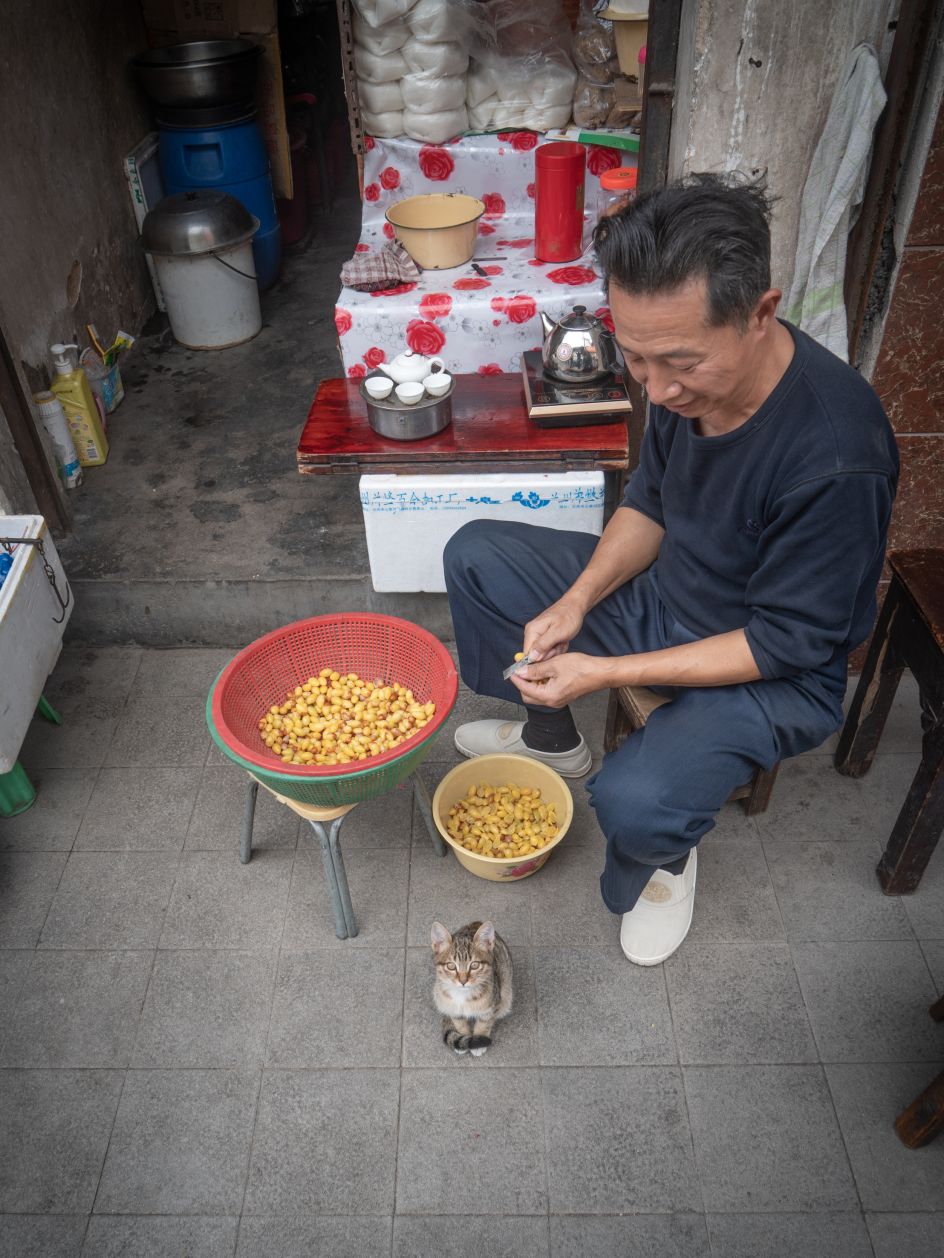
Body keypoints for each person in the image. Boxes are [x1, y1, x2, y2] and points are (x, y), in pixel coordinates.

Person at [443, 174, 899, 966]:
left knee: (637, 801)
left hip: (775, 672)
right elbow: (650, 504)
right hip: (668, 597)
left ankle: (663, 863)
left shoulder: (836, 457)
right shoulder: (674, 377)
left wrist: (602, 670)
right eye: (637, 358)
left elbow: (788, 644)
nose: (656, 387)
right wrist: (579, 602)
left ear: (760, 313)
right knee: (477, 555)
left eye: (678, 362)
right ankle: (553, 739)